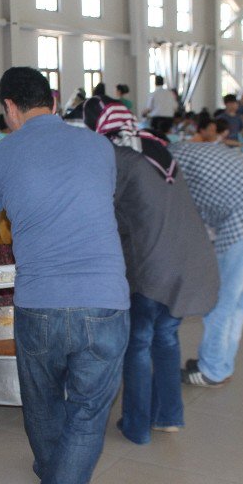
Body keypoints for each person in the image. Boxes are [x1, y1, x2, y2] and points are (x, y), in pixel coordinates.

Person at [0, 67, 129, 484]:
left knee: (44, 403)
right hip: (105, 300)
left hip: (39, 305)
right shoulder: (99, 145)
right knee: (88, 412)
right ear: (52, 101)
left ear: (11, 107)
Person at [96, 108, 218, 445]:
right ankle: (168, 416)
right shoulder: (156, 148)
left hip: (155, 268)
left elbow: (106, 211)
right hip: (190, 261)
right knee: (165, 339)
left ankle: (136, 425)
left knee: (137, 343)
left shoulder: (119, 157)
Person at [170, 141, 243, 388]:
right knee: (238, 301)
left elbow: (183, 219)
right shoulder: (185, 150)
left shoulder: (169, 165)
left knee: (220, 303)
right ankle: (220, 364)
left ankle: (211, 371)